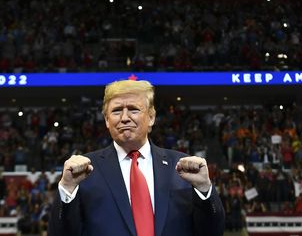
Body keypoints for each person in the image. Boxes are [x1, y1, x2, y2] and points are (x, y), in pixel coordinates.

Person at [49, 80, 225, 236]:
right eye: (117, 111)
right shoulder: (83, 172)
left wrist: (204, 189)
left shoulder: (183, 168)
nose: (125, 118)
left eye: (133, 109)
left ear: (151, 117)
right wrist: (67, 189)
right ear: (107, 120)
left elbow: (212, 231)